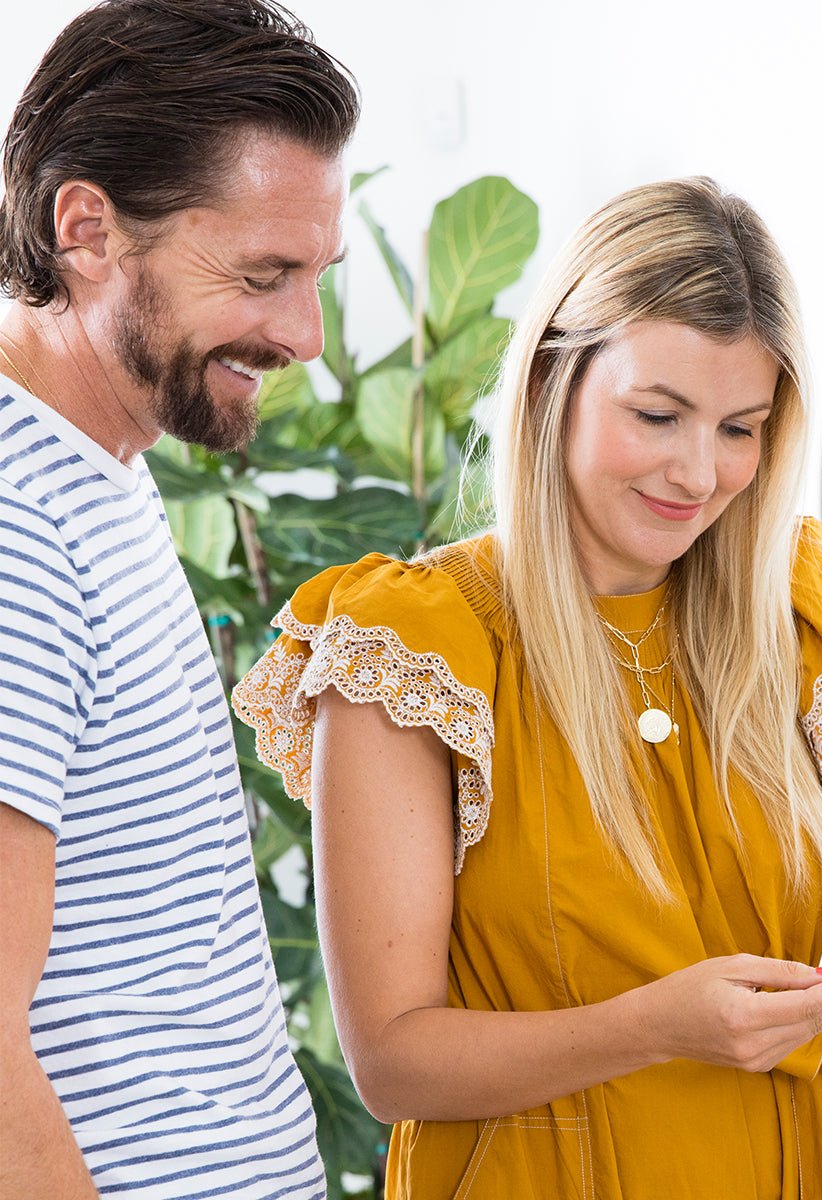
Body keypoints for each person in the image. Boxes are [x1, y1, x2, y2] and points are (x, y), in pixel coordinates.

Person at [233, 177, 822, 1199]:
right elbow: (392, 1062)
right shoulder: (415, 648)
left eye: (741, 427)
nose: (699, 471)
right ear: (555, 378)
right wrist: (653, 1028)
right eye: (659, 414)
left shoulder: (805, 614)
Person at [0, 2, 357, 1197]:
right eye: (263, 276)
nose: (304, 335)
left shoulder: (97, 465)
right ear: (88, 229)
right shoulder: (17, 523)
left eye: (316, 277)